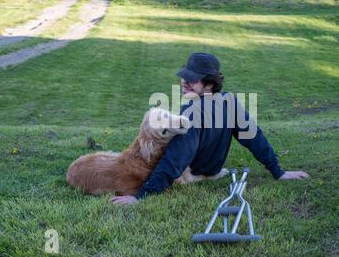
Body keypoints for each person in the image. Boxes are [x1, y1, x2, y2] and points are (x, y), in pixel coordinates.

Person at [110, 53, 309, 205]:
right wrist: (278, 171)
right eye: (184, 77)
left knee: (133, 158)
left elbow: (176, 158)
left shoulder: (191, 113)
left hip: (189, 175)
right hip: (214, 170)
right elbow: (254, 137)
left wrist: (142, 195)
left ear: (209, 85)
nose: (184, 82)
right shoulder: (229, 101)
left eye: (192, 80)